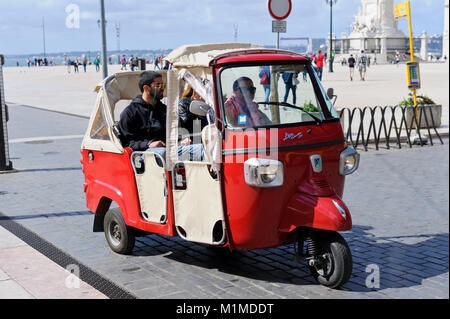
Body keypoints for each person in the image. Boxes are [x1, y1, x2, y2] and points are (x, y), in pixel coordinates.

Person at [118, 71, 203, 161]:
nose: (163, 88)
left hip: (170, 150)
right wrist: (149, 144)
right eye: (159, 85)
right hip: (145, 154)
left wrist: (182, 141)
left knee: (201, 148)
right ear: (146, 88)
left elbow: (173, 134)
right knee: (161, 152)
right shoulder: (130, 112)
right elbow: (127, 143)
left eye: (163, 85)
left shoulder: (165, 110)